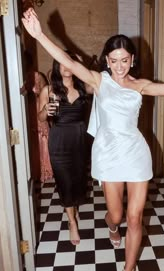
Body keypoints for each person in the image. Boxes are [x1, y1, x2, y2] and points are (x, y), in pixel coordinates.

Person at [22, 8, 164, 271]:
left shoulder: (140, 85)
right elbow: (68, 61)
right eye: (114, 60)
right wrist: (39, 36)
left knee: (135, 219)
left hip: (135, 154)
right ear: (107, 61)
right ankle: (112, 227)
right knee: (117, 215)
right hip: (108, 155)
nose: (120, 66)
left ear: (132, 60)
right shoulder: (100, 81)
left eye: (125, 60)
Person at [37, 53, 89, 246]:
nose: (67, 66)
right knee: (65, 181)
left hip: (80, 139)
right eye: (62, 62)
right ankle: (72, 222)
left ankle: (72, 208)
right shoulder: (49, 90)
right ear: (57, 65)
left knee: (77, 180)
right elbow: (41, 119)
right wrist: (45, 112)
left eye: (71, 62)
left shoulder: (85, 87)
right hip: (59, 139)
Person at [24, 67, 53, 183]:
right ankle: (32, 172)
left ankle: (45, 170)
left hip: (37, 106)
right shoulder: (17, 75)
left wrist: (30, 93)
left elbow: (45, 92)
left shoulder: (37, 75)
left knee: (42, 137)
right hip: (25, 108)